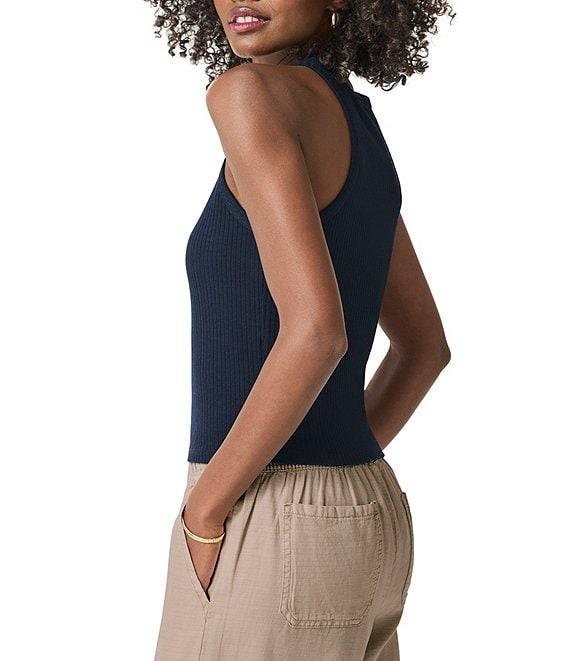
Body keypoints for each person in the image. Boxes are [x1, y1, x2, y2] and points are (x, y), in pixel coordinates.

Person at [148, 1, 453, 659]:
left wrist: (206, 510)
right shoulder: (356, 123)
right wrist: (335, 466)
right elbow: (425, 347)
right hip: (367, 507)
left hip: (263, 516)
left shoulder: (247, 94)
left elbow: (317, 332)